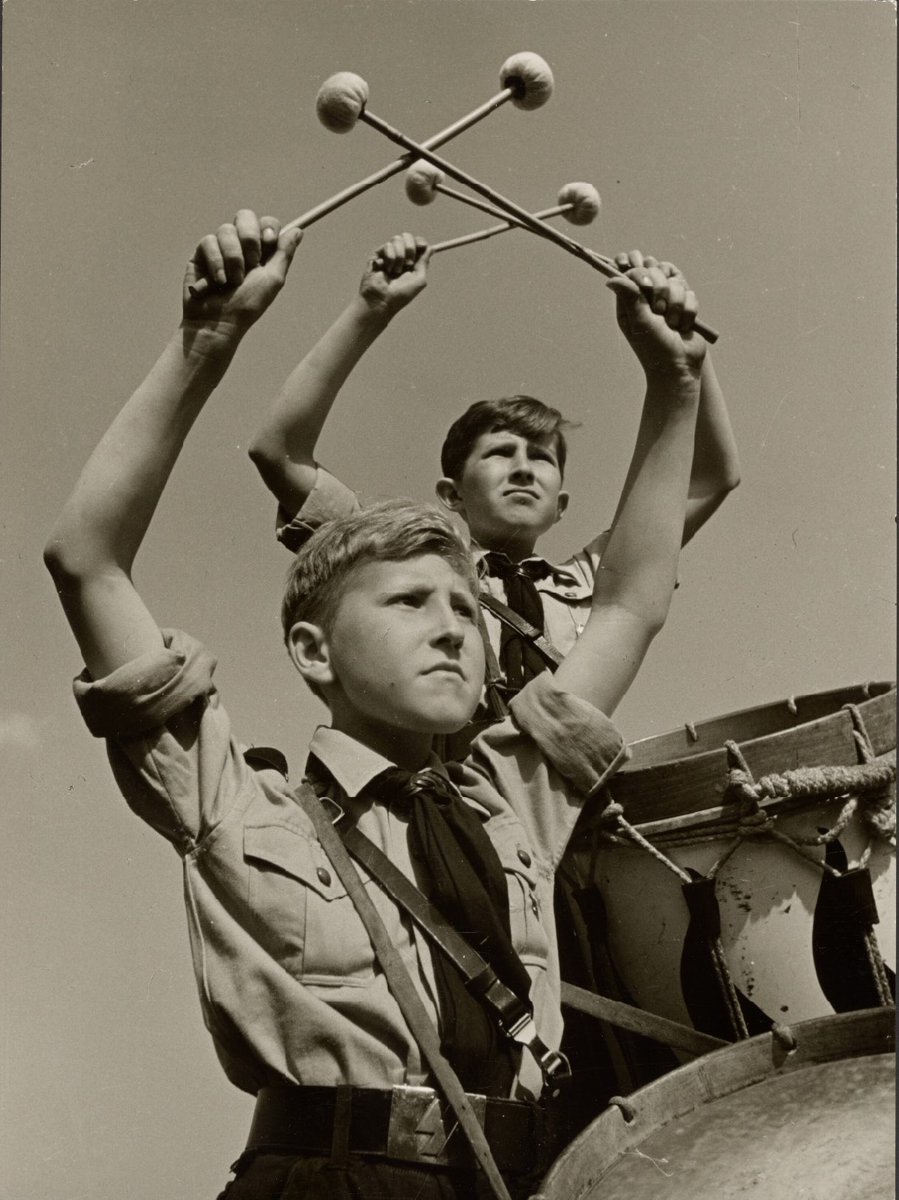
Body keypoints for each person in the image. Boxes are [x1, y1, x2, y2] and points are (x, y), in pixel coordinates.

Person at [43, 210, 706, 1199]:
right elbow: (87, 559)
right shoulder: (237, 802)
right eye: (406, 603)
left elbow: (628, 602)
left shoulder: (509, 795)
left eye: (459, 609)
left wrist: (675, 379)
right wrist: (206, 344)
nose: (450, 628)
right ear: (312, 653)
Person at [248, 235, 740, 729]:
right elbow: (280, 453)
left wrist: (686, 354)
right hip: (444, 789)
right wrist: (369, 309)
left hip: (555, 792)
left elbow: (711, 479)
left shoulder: (597, 579)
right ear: (451, 495)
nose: (524, 468)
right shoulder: (399, 562)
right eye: (501, 453)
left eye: (542, 459)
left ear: (561, 505)